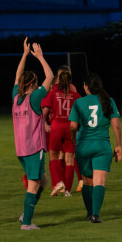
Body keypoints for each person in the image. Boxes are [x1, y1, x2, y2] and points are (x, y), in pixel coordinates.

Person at [13, 38, 54, 230]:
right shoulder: (34, 97)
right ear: (34, 84)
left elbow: (17, 75)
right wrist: (40, 57)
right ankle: (27, 223)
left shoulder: (16, 98)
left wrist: (23, 54)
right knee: (34, 183)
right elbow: (50, 77)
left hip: (21, 149)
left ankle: (25, 214)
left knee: (43, 181)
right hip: (33, 147)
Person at [69, 73, 122, 223]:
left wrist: (73, 136)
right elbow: (116, 125)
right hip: (102, 145)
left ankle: (89, 213)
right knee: (99, 182)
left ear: (86, 86)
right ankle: (95, 215)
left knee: (87, 182)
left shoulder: (79, 102)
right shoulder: (108, 100)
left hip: (84, 145)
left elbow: (73, 125)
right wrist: (119, 146)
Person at [44, 67, 81, 197]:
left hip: (57, 126)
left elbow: (45, 111)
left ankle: (59, 182)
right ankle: (67, 191)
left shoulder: (53, 93)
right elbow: (80, 114)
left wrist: (44, 123)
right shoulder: (76, 95)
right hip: (70, 128)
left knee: (53, 156)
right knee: (69, 159)